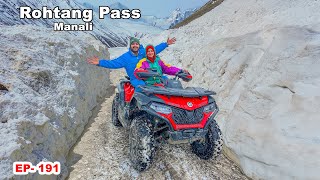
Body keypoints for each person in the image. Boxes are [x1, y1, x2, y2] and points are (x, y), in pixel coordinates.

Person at [87, 37, 176, 88]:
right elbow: (113, 63)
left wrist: (166, 44)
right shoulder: (126, 57)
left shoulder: (143, 52)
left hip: (151, 76)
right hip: (136, 79)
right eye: (133, 44)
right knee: (142, 88)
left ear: (138, 45)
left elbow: (155, 49)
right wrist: (100, 62)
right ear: (130, 46)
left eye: (136, 44)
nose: (135, 45)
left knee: (166, 81)